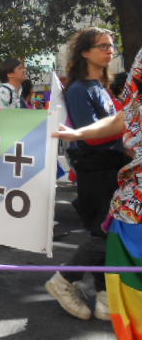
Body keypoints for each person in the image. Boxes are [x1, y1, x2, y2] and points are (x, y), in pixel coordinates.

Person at [44, 27, 130, 321]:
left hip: (112, 168)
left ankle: (104, 297)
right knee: (106, 232)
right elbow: (93, 138)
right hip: (97, 171)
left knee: (107, 231)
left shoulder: (100, 87)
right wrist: (126, 140)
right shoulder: (80, 90)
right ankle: (63, 281)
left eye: (111, 45)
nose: (110, 50)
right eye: (103, 46)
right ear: (84, 53)